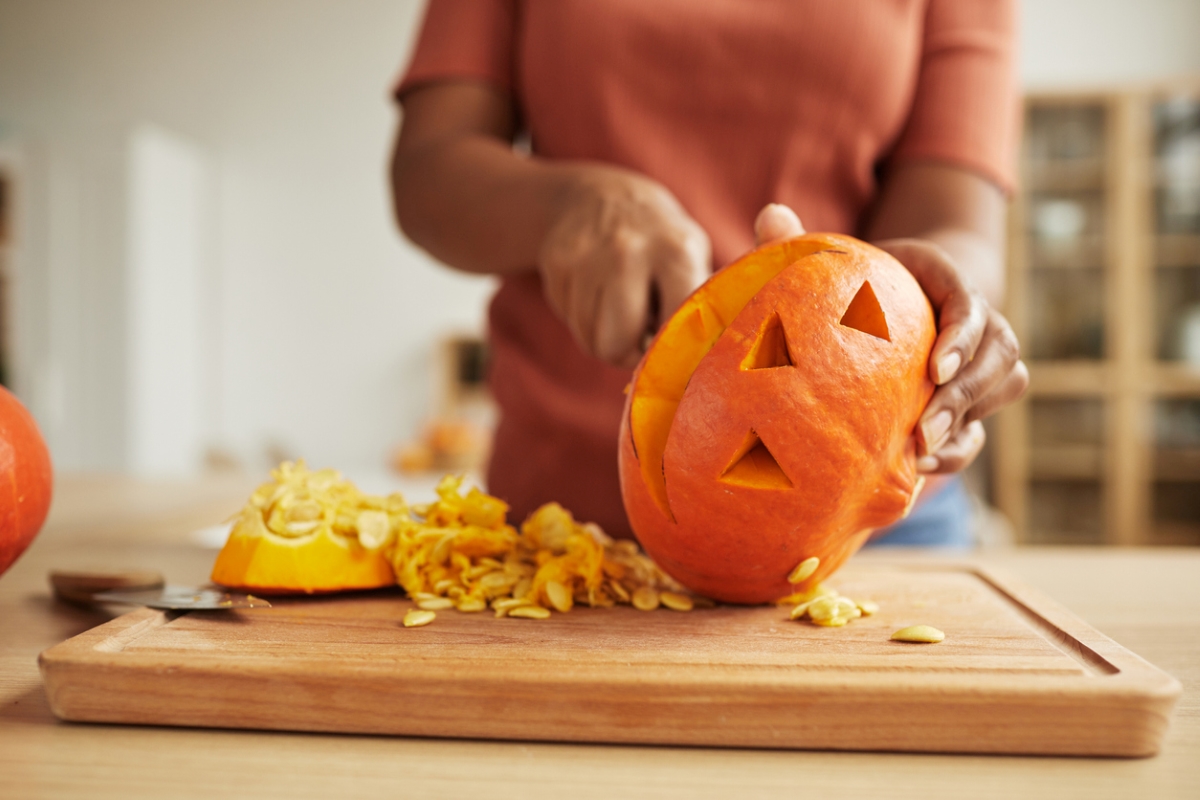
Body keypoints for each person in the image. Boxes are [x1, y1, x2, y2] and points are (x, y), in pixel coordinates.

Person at [389, 0, 1029, 547]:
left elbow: (959, 224)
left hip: (867, 511)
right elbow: (428, 168)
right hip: (565, 512)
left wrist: (939, 305)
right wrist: (567, 206)